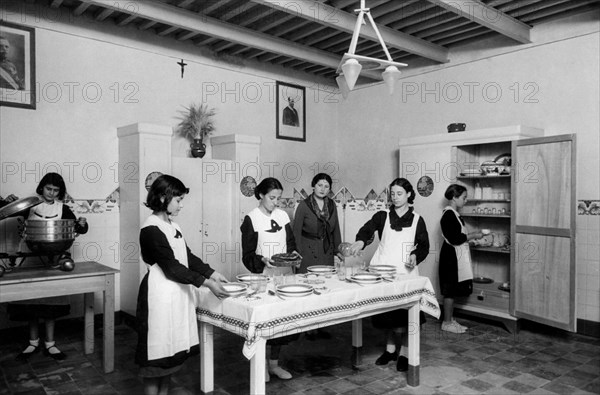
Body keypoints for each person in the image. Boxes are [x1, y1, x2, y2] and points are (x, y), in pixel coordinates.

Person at [134, 174, 229, 395]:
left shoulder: (172, 226)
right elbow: (172, 267)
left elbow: (187, 257)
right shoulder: (151, 229)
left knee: (171, 356)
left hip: (176, 295)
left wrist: (213, 273)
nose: (181, 205)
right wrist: (206, 283)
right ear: (161, 198)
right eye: (178, 200)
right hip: (158, 297)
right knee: (155, 361)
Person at [349, 178, 429, 372]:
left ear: (409, 195)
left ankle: (406, 354)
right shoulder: (383, 215)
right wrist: (360, 242)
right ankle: (391, 350)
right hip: (383, 271)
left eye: (399, 193)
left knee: (406, 317)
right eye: (392, 193)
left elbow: (424, 245)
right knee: (388, 315)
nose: (395, 197)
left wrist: (414, 255)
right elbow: (367, 230)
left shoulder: (417, 219)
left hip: (405, 273)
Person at [7, 173, 89, 361]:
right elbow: (7, 210)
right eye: (48, 189)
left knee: (51, 303)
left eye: (55, 190)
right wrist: (7, 200)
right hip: (30, 259)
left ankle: (50, 344)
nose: (51, 193)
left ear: (60, 192)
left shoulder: (64, 208)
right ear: (42, 188)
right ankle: (32, 342)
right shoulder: (30, 206)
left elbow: (78, 228)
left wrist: (83, 224)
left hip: (53, 260)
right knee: (31, 302)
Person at [240, 177, 300, 382]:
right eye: (272, 197)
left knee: (282, 321)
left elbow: (290, 243)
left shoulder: (282, 215)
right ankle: (261, 365)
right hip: (263, 277)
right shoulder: (252, 218)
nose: (276, 202)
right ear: (261, 195)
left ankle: (274, 365)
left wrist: (294, 256)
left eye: (279, 198)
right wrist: (263, 260)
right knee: (265, 322)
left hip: (285, 275)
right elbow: (247, 254)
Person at [292, 173, 342, 340]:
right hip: (307, 251)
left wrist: (337, 251)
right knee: (309, 287)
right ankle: (307, 327)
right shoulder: (304, 206)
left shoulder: (332, 205)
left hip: (326, 250)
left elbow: (335, 230)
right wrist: (296, 255)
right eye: (320, 185)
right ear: (313, 186)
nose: (323, 189)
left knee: (325, 287)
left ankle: (321, 325)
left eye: (326, 186)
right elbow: (296, 232)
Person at [439, 184, 483, 334]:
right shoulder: (448, 215)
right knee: (449, 291)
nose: (466, 200)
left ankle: (450, 320)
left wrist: (471, 240)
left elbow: (459, 237)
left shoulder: (455, 215)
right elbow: (456, 238)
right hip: (450, 257)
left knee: (452, 289)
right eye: (464, 198)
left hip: (454, 254)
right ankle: (446, 322)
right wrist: (474, 235)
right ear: (454, 197)